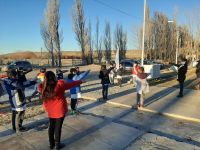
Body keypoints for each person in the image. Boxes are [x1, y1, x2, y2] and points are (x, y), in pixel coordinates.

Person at [38, 71, 84, 150]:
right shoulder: (59, 85)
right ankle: (57, 145)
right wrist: (80, 81)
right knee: (58, 127)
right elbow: (71, 84)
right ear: (54, 77)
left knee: (51, 126)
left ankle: (51, 144)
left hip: (50, 110)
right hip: (59, 110)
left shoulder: (42, 87)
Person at [2, 69, 36, 134]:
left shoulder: (9, 80)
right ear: (13, 76)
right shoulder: (12, 82)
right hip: (17, 100)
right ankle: (17, 128)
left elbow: (22, 83)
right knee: (18, 114)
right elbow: (23, 84)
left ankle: (17, 126)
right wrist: (34, 80)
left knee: (20, 113)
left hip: (19, 99)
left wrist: (22, 76)